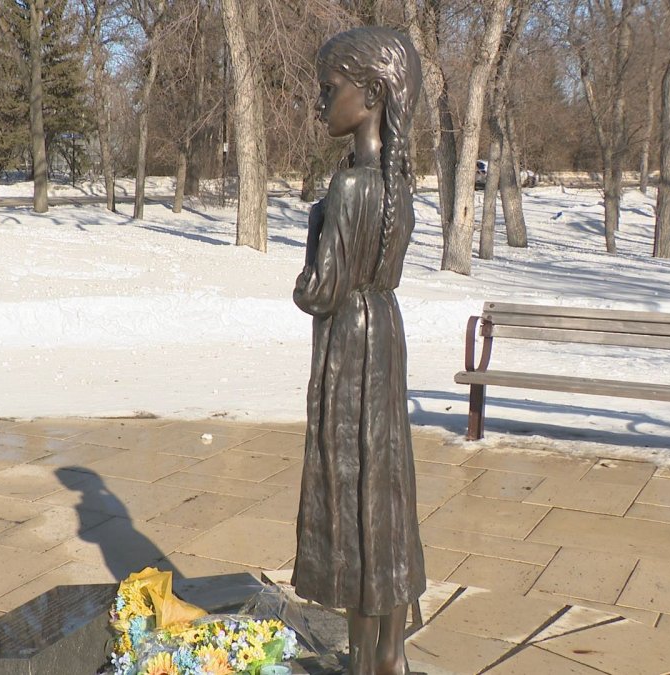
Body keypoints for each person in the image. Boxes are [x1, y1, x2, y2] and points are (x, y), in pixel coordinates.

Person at [291, 26, 426, 675]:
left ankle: (365, 661)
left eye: (329, 89)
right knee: (387, 498)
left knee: (353, 496)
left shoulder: (348, 191)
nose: (319, 103)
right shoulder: (394, 182)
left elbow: (318, 293)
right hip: (386, 335)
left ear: (371, 93)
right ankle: (389, 655)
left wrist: (315, 229)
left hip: (351, 345)